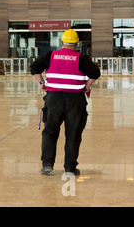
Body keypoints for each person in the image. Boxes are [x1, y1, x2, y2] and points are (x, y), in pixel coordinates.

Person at [30, 29, 100, 176]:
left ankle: (47, 165)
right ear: (77, 44)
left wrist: (41, 82)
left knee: (50, 131)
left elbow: (34, 67)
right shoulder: (82, 58)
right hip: (75, 101)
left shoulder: (51, 55)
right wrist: (87, 86)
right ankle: (70, 167)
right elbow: (95, 73)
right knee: (73, 134)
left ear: (62, 42)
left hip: (54, 99)